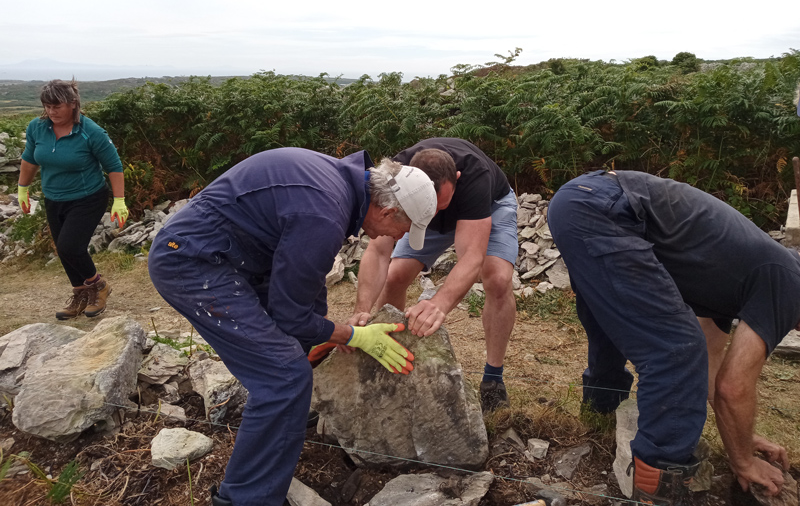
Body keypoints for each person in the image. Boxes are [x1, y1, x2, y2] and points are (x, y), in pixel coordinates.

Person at [147, 148, 437, 506]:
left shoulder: (340, 186)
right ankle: (245, 499)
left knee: (302, 336)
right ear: (387, 211)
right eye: (403, 229)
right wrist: (352, 335)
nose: (398, 237)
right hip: (191, 261)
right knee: (284, 376)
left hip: (230, 253)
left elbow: (304, 297)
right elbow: (289, 315)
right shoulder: (322, 214)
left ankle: (279, 427)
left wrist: (326, 331)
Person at [548, 170, 800, 505]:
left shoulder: (747, 276)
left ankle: (599, 425)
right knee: (676, 352)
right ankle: (657, 494)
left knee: (617, 328)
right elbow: (734, 386)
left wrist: (742, 437)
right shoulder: (789, 283)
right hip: (605, 208)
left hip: (583, 200)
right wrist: (743, 460)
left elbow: (712, 366)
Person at [347, 138, 518, 412]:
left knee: (497, 278)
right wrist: (361, 310)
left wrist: (438, 304)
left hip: (488, 208)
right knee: (396, 276)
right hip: (416, 214)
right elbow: (379, 251)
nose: (438, 211)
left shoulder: (474, 176)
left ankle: (493, 379)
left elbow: (471, 257)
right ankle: (390, 351)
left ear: (457, 179)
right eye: (431, 205)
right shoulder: (397, 176)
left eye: (442, 203)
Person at [17, 79, 127, 320]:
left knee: (70, 246)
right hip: (54, 197)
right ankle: (80, 294)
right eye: (47, 106)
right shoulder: (37, 127)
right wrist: (22, 188)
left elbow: (114, 166)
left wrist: (120, 200)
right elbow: (30, 158)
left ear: (73, 104)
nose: (51, 112)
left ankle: (99, 287)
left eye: (57, 106)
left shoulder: (91, 132)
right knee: (63, 250)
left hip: (88, 198)